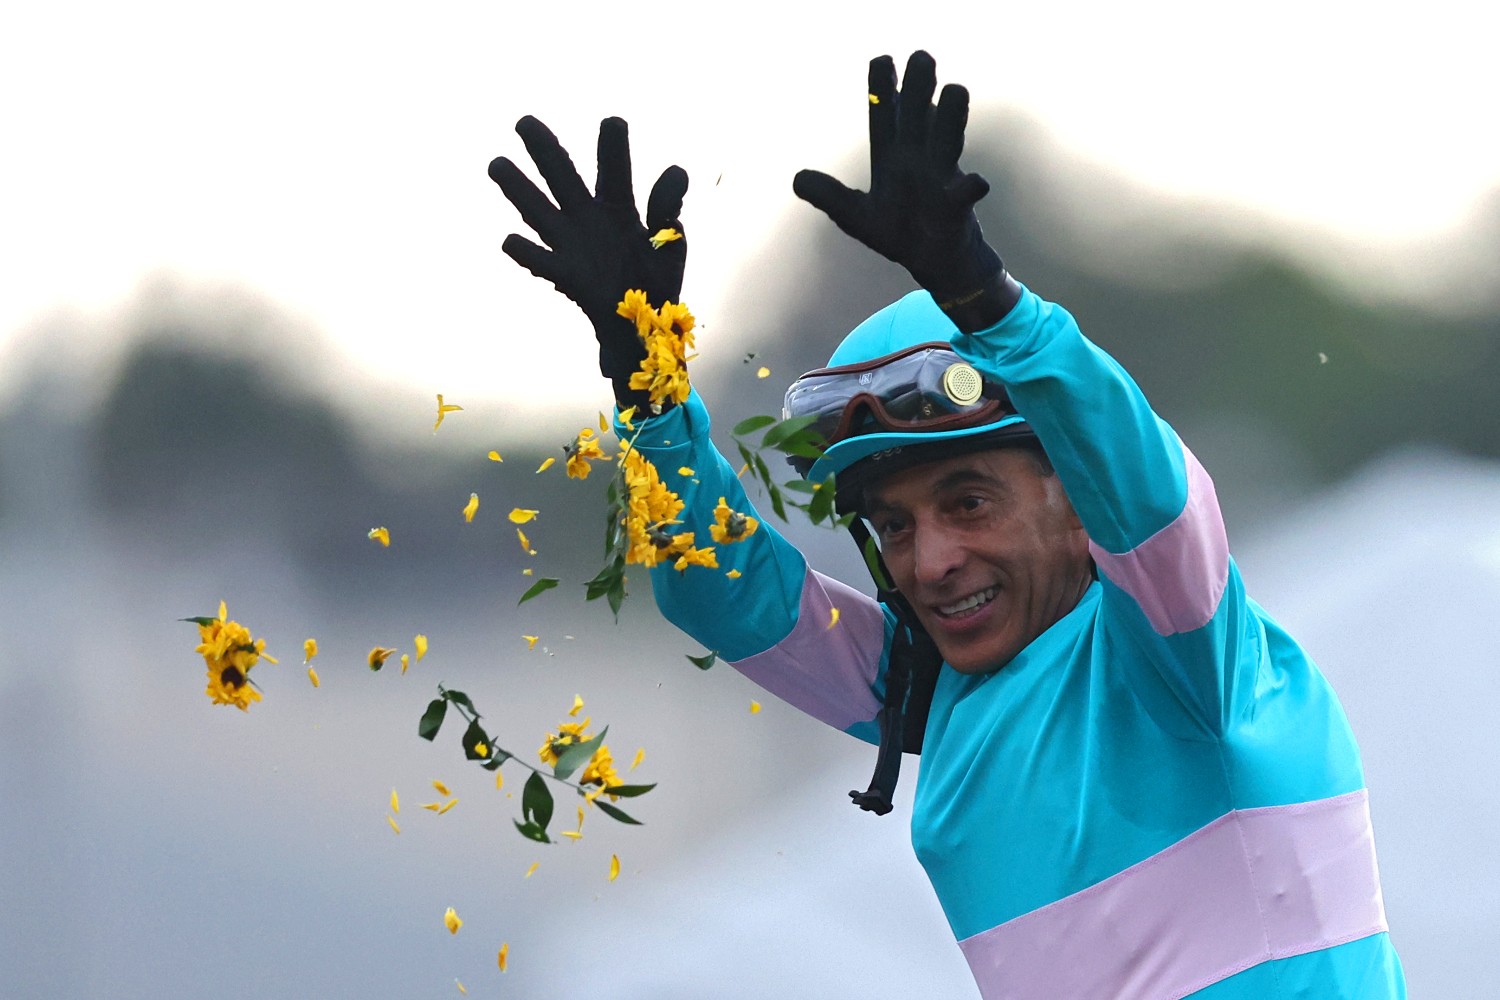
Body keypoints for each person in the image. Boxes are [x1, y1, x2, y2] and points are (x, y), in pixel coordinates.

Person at [489, 50, 1406, 1000]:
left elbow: (1157, 495)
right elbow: (722, 595)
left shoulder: (1188, 657)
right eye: (892, 525)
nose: (930, 562)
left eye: (969, 503)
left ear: (1074, 494)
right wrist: (650, 393)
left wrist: (989, 300)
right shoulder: (938, 689)